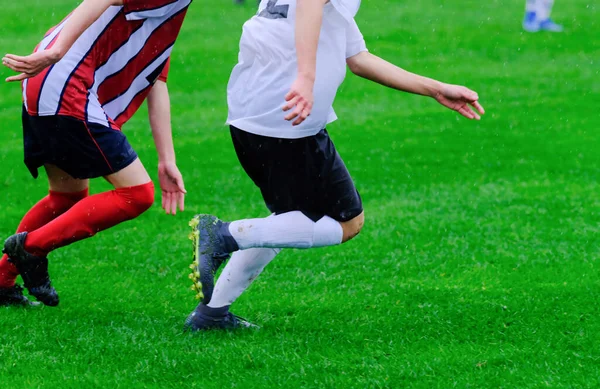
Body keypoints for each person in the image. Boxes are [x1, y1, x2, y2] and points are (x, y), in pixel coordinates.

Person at [184, 0, 485, 330]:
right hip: (287, 118)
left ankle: (211, 314)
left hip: (254, 113)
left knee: (289, 219)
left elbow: (357, 58)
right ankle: (223, 235)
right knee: (347, 222)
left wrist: (435, 89)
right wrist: (306, 77)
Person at [0, 0, 191, 307]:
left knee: (65, 198)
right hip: (64, 82)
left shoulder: (171, 12)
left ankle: (1, 281)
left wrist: (167, 159)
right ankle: (31, 249)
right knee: (137, 194)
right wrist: (57, 51)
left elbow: (156, 80)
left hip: (48, 81)